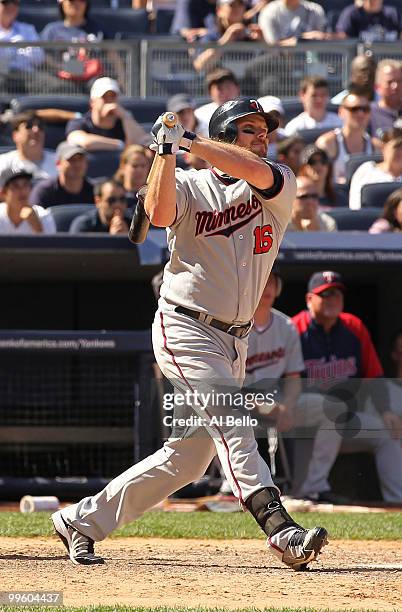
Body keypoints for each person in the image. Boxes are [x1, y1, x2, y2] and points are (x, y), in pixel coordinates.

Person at [52, 97, 328, 570]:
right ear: (224, 136)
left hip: (235, 339)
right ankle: (280, 528)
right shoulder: (186, 182)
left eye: (265, 130)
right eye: (249, 130)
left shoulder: (278, 181)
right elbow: (156, 217)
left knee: (189, 459)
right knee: (234, 421)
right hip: (185, 324)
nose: (262, 137)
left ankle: (82, 520)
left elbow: (251, 170)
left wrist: (187, 140)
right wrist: (164, 151)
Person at [292, 270, 402, 503]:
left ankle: (397, 502)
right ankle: (315, 489)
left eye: (337, 294)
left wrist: (386, 412)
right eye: (326, 294)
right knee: (302, 495)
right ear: (309, 299)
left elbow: (374, 375)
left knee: (387, 432)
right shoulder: (293, 329)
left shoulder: (354, 327)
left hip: (342, 420)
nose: (333, 299)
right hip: (301, 422)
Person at [65, 77, 149, 152]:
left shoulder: (124, 122)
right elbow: (86, 142)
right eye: (104, 97)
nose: (109, 101)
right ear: (92, 102)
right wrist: (120, 145)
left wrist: (125, 116)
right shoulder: (79, 122)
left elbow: (142, 141)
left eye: (113, 96)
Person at [316, 92, 377, 185]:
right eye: (354, 109)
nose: (360, 114)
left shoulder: (377, 147)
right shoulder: (327, 144)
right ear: (341, 112)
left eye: (365, 109)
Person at [192, 0, 262, 73]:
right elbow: (199, 66)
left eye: (240, 4)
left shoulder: (253, 36)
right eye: (232, 5)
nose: (237, 8)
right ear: (219, 10)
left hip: (249, 83)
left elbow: (269, 65)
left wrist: (263, 42)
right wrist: (226, 40)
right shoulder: (211, 37)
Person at [349, 127, 402, 210]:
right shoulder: (366, 171)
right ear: (383, 147)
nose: (400, 152)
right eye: (397, 147)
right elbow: (355, 206)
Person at [30, 142, 94, 208]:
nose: (77, 164)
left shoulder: (94, 191)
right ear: (58, 164)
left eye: (80, 159)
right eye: (71, 160)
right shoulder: (44, 192)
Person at [0, 0, 45, 94]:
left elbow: (39, 58)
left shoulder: (27, 29)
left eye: (15, 3)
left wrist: (22, 46)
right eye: (5, 2)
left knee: (56, 87)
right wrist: (15, 48)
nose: (11, 6)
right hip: (2, 77)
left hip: (27, 77)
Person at [0, 112, 57, 182]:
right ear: (15, 136)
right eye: (28, 126)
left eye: (40, 127)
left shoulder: (60, 162)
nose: (36, 130)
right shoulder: (2, 163)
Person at [0, 168, 56, 235]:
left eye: (25, 185)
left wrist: (37, 227)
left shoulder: (43, 216)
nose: (22, 191)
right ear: (3, 193)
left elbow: (50, 245)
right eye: (15, 186)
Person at [258, 0, 338, 46]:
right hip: (279, 63)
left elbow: (326, 40)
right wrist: (298, 40)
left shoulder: (315, 9)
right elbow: (272, 45)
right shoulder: (269, 12)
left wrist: (319, 36)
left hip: (311, 63)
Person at [194, 68, 241, 137]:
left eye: (228, 87)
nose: (225, 92)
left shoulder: (250, 111)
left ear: (237, 88)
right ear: (210, 93)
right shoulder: (199, 115)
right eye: (220, 88)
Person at [336, 0, 400, 43]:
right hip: (362, 58)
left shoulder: (393, 13)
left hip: (389, 57)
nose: (372, 1)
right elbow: (343, 37)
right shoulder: (352, 13)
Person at [370, 59, 402, 138]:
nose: (395, 86)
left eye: (399, 81)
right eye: (390, 82)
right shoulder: (367, 113)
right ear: (377, 87)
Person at [114, 144, 151, 209]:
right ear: (123, 167)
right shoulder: (114, 194)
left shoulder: (152, 196)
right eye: (134, 166)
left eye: (143, 166)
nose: (139, 170)